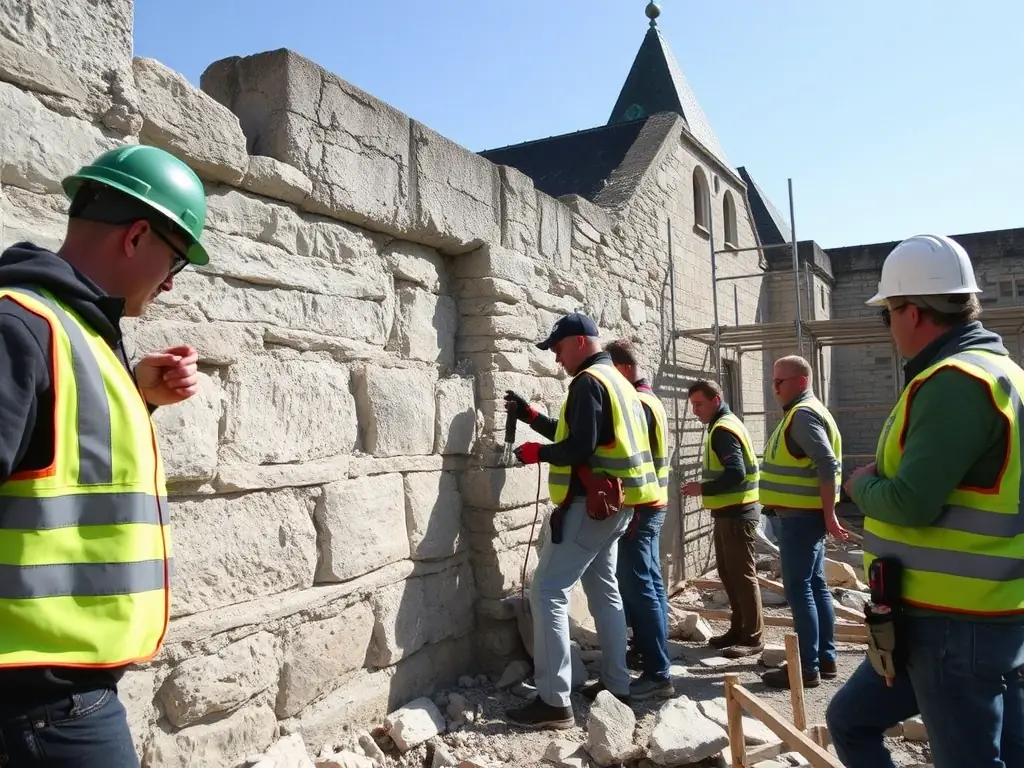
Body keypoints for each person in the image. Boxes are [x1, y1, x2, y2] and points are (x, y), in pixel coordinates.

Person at [0, 145, 212, 766]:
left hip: (55, 695)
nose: (171, 282)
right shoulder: (23, 327)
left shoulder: (78, 332)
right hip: (39, 702)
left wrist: (137, 395)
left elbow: (56, 462)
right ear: (138, 235)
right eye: (174, 261)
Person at [826, 234, 1024, 768]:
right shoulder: (1003, 374)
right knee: (850, 719)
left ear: (913, 311)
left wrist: (857, 485)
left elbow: (912, 502)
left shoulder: (956, 381)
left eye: (886, 314)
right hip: (965, 615)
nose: (886, 328)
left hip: (954, 624)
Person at [502, 312, 662, 727]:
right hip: (618, 505)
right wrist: (532, 417)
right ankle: (616, 684)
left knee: (547, 592)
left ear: (577, 342)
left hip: (590, 506)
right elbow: (582, 435)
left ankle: (554, 701)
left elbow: (577, 447)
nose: (556, 359)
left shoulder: (588, 383)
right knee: (604, 588)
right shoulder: (619, 383)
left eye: (557, 349)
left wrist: (535, 452)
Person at [758, 355, 847, 690]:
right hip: (802, 517)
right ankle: (825, 659)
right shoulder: (806, 412)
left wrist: (829, 513)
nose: (773, 388)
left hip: (799, 518)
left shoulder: (803, 414)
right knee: (816, 586)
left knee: (800, 590)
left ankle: (807, 667)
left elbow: (826, 461)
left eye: (779, 382)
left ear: (801, 382)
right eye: (773, 381)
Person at [602, 338, 673, 700]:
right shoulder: (650, 399)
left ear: (626, 370)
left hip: (640, 508)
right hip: (651, 504)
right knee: (651, 586)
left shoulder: (636, 403)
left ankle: (658, 673)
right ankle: (651, 653)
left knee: (639, 588)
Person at [682, 379, 764, 658]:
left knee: (742, 577)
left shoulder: (723, 430)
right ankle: (738, 629)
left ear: (716, 399)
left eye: (699, 404)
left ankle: (752, 638)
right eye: (693, 405)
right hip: (730, 512)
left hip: (738, 514)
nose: (695, 411)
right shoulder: (725, 424)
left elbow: (736, 472)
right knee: (730, 576)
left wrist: (701, 488)